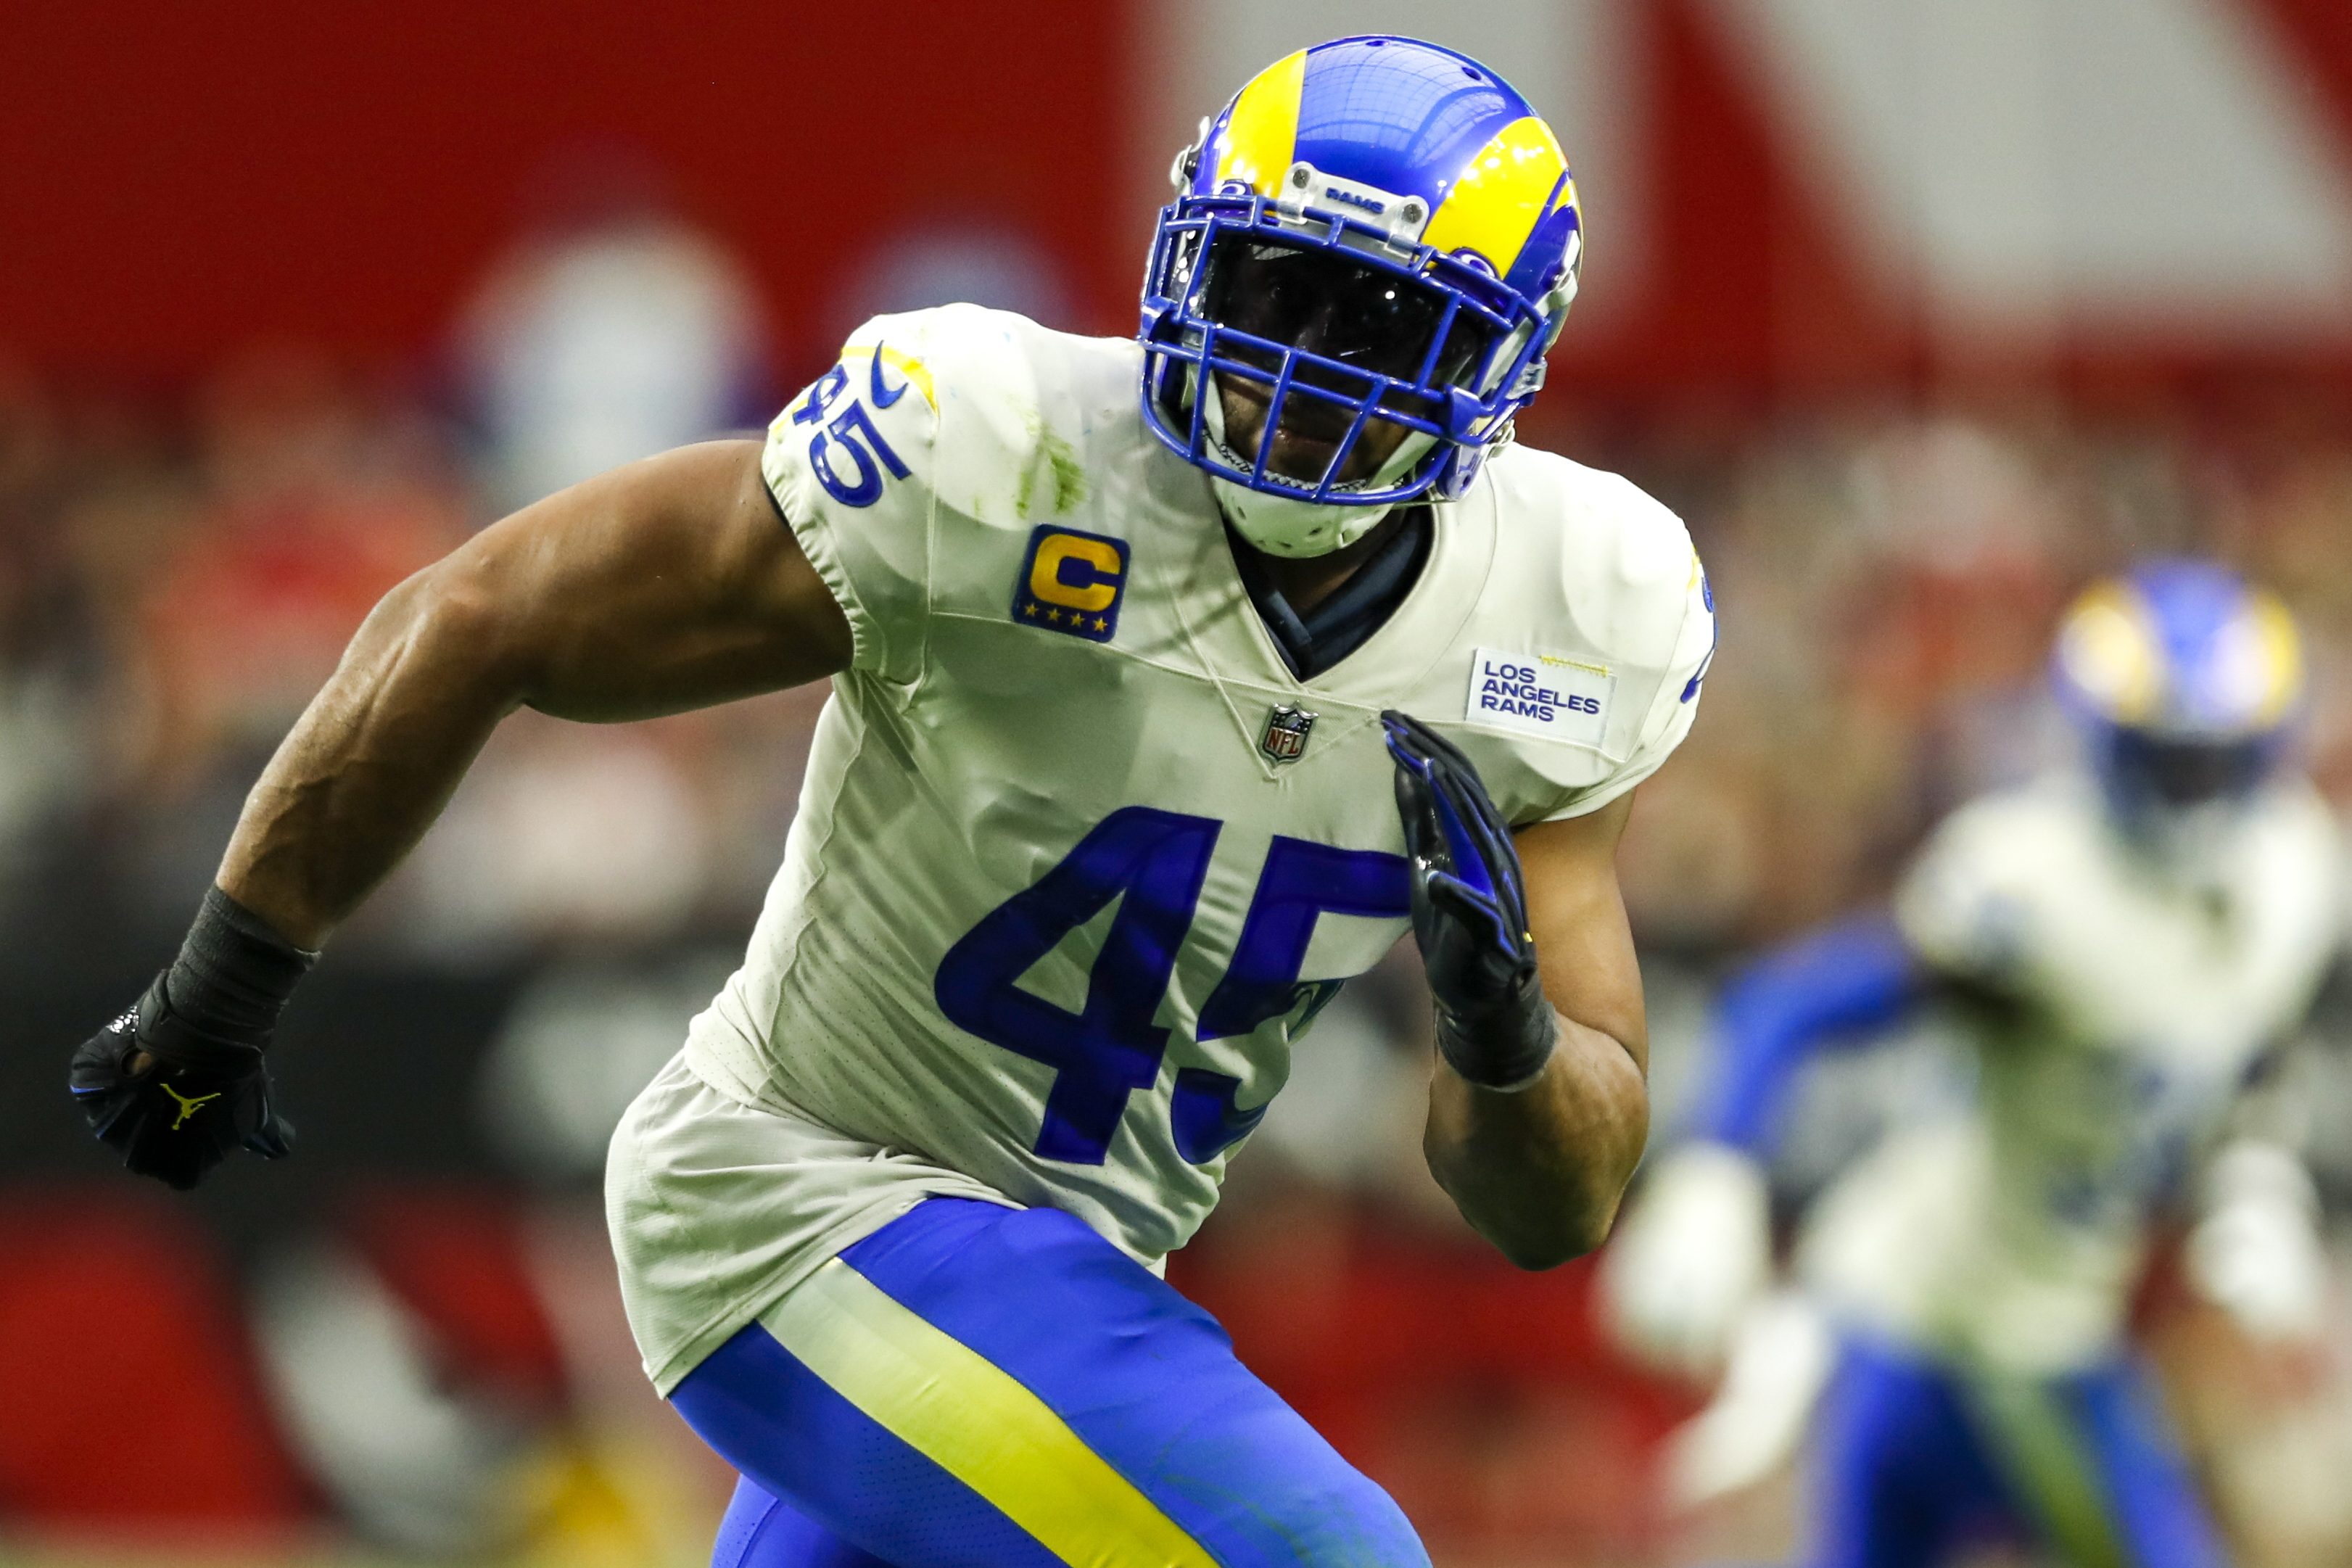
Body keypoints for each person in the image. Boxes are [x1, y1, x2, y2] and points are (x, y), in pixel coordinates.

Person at [69, 36, 1715, 1567]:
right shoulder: (997, 454)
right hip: (799, 1191)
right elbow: (489, 613)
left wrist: (1502, 1044)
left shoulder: (1580, 606)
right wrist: (223, 990)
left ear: (1498, 364)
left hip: (1066, 1268)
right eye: (1267, 285)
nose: (1291, 362)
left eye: (1371, 321)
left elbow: (1550, 1208)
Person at [1604, 561, 2337, 1568]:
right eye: (2167, 764)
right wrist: (1716, 1167)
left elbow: (2247, 1053)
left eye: (2212, 765)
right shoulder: (2034, 887)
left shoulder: (2296, 878)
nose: (2191, 797)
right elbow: (1793, 1004)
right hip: (1958, 1331)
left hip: (2050, 1325)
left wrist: (2261, 1181)